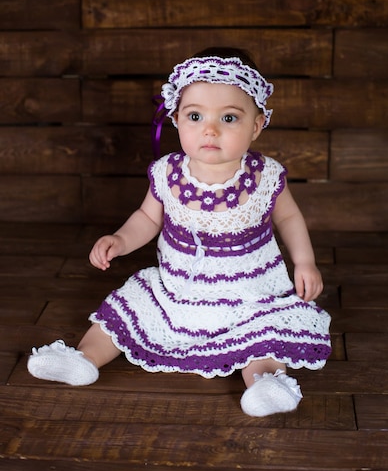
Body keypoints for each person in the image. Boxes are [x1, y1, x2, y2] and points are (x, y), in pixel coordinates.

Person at [27, 47, 331, 417]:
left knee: (265, 334)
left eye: (230, 117)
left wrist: (305, 262)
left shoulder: (265, 176)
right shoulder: (167, 173)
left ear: (257, 125)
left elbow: (290, 219)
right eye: (195, 115)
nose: (210, 129)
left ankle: (266, 384)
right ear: (176, 120)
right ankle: (84, 358)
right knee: (129, 308)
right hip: (179, 288)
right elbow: (147, 218)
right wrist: (120, 240)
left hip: (252, 294)